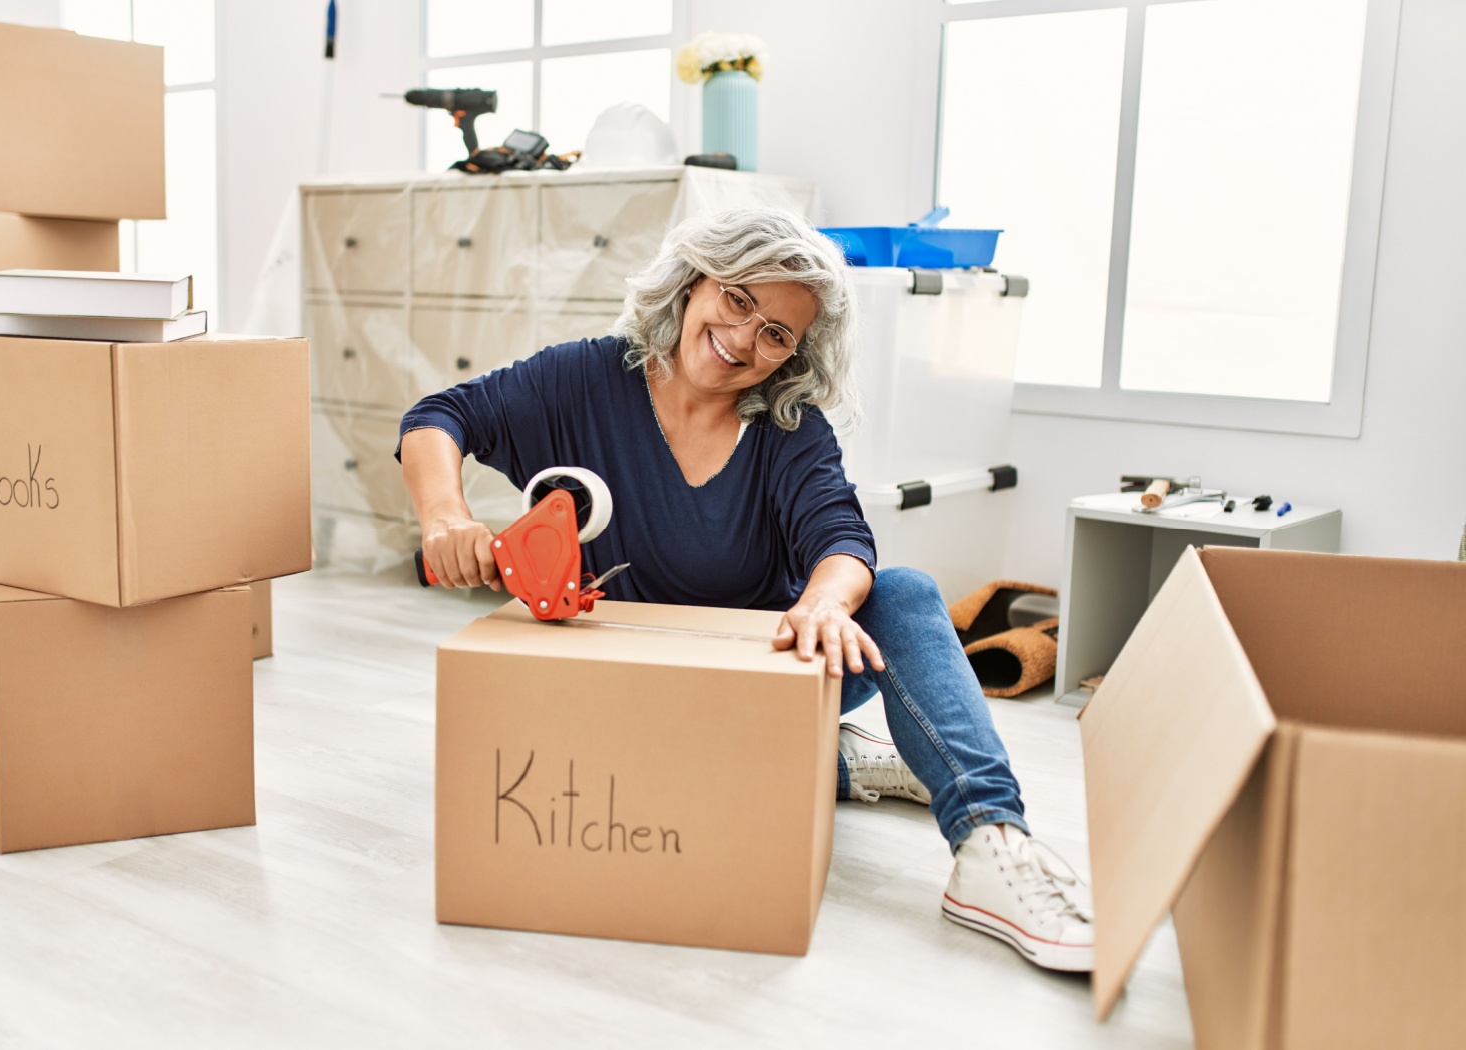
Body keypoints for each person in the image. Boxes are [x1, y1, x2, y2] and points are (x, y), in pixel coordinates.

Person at [397, 207, 1093, 972]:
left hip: (770, 673)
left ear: (793, 355)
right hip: (635, 690)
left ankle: (992, 842)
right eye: (738, 301)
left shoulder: (789, 427)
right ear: (695, 282)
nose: (744, 340)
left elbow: (843, 540)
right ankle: (850, 763)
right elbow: (440, 418)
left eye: (777, 334)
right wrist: (445, 518)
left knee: (902, 592)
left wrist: (824, 601)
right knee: (665, 773)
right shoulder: (584, 379)